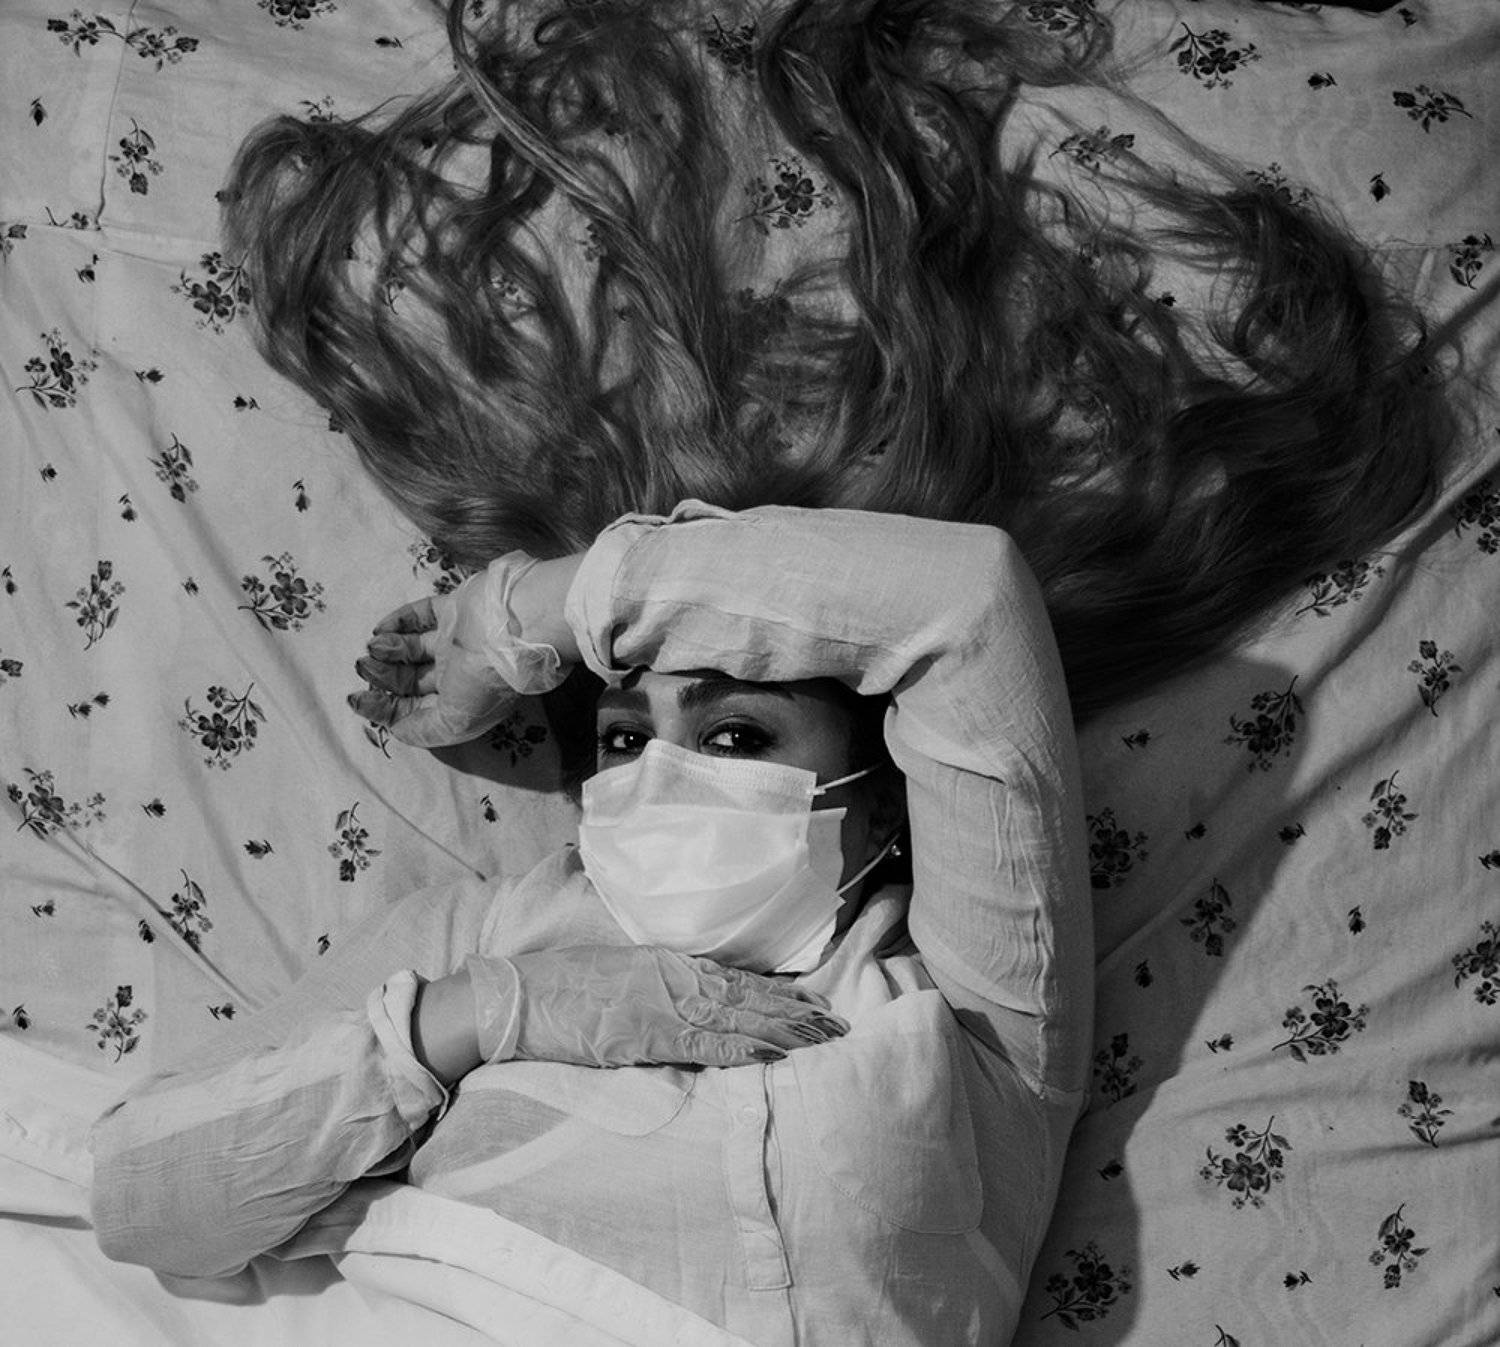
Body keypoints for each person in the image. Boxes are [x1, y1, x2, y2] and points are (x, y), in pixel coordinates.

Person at [90, 501, 1091, 1345]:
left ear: (878, 804)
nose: (657, 777)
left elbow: (965, 604)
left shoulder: (975, 1014)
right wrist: (483, 1015)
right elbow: (143, 1200)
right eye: (622, 739)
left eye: (733, 734)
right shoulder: (482, 933)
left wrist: (514, 617)